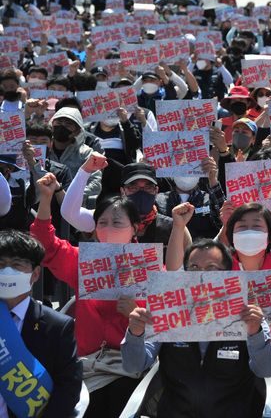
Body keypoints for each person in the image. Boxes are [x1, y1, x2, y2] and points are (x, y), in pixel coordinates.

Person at [31, 171, 172, 417]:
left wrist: (136, 315)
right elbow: (45, 247)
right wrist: (45, 199)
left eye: (117, 223)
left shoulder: (152, 268)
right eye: (102, 223)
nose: (108, 228)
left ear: (134, 229)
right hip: (85, 367)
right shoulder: (83, 261)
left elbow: (162, 323)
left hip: (129, 368)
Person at [121, 238, 271, 418]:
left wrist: (255, 334)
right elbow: (133, 366)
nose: (201, 275)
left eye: (211, 268)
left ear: (227, 273)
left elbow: (268, 370)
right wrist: (135, 334)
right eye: (193, 268)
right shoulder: (166, 312)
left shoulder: (247, 313)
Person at [194, 202, 271, 393]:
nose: (249, 232)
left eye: (257, 226)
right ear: (231, 235)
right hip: (224, 359)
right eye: (241, 226)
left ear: (269, 235)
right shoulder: (217, 271)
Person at [0, 231, 82, 418]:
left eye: (17, 265)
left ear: (35, 274)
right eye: (1, 265)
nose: (7, 271)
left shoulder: (57, 327)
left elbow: (68, 389)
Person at [155, 158, 225, 239]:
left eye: (192, 166)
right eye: (181, 166)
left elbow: (223, 224)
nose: (186, 170)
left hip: (202, 250)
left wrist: (212, 179)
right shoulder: (158, 200)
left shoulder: (210, 200)